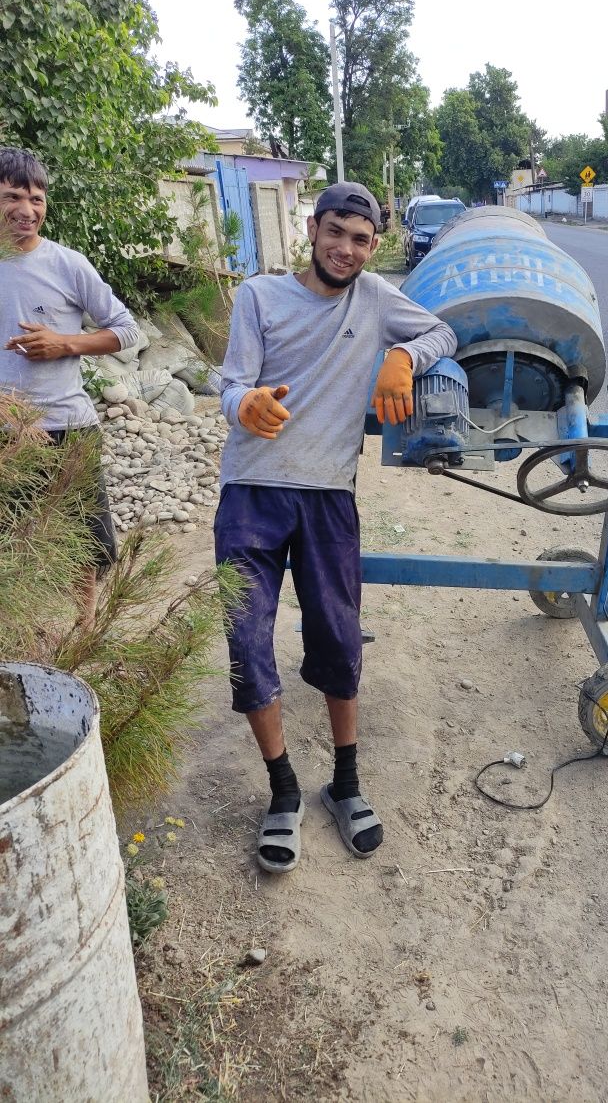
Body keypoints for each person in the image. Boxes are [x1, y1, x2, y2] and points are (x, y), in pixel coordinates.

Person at [214, 181, 457, 875]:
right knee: (246, 639)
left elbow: (446, 330)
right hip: (252, 493)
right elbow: (230, 384)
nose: (345, 249)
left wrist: (403, 357)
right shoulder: (260, 296)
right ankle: (283, 789)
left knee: (339, 637)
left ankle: (345, 783)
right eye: (336, 233)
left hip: (327, 495)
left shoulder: (378, 299)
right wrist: (245, 405)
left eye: (360, 239)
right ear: (313, 229)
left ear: (373, 245)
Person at [0, 147, 139, 625]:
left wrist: (64, 343)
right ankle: (23, 641)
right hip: (7, 439)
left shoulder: (68, 264)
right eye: (12, 196)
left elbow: (126, 329)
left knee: (84, 548)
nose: (26, 209)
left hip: (68, 429)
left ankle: (81, 636)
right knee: (13, 550)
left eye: (37, 198)